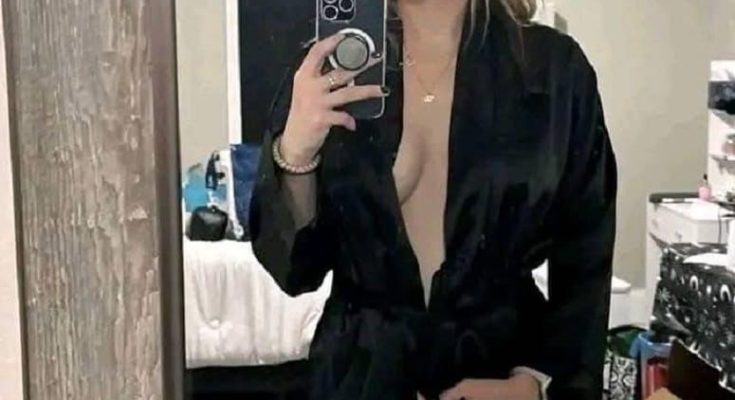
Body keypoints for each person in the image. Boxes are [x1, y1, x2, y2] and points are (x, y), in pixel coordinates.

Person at [250, 0, 617, 398]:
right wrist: (296, 153)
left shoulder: (553, 71)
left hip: (500, 369)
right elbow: (292, 268)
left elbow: (586, 253)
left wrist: (535, 382)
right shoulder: (328, 66)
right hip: (362, 376)